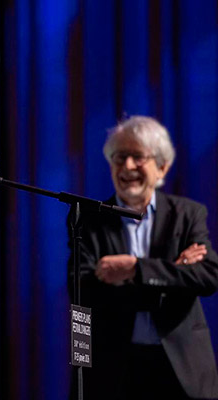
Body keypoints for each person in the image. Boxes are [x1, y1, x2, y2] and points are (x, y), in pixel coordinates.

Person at [68, 116, 218, 399]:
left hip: (181, 367)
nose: (127, 166)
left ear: (162, 166)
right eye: (119, 157)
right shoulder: (88, 219)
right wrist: (171, 274)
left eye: (138, 157)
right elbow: (83, 291)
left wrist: (136, 269)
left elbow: (208, 276)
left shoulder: (188, 214)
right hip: (114, 368)